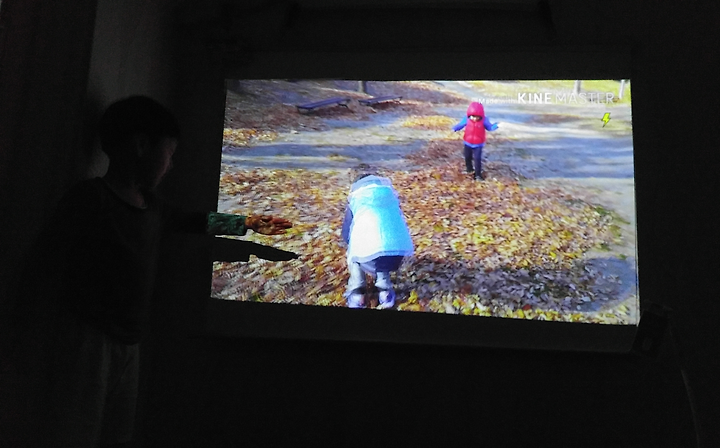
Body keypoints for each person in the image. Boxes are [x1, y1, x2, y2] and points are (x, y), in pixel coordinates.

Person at [7, 96, 295, 447]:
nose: (171, 165)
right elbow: (45, 263)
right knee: (76, 429)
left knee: (116, 431)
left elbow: (194, 221)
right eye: (169, 153)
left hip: (130, 341)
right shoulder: (91, 199)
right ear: (142, 146)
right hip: (87, 341)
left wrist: (247, 223)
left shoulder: (152, 206)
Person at [340, 171, 414, 309]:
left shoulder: (357, 200)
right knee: (382, 248)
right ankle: (385, 291)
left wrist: (349, 243)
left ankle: (357, 292)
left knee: (355, 251)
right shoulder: (390, 198)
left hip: (371, 255)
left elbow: (346, 234)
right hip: (398, 254)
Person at [452, 101, 499, 181]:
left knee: (477, 159)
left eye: (477, 117)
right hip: (467, 143)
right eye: (473, 116)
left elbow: (489, 127)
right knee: (467, 157)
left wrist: (496, 126)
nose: (475, 118)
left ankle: (478, 175)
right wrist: (455, 128)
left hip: (478, 144)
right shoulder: (466, 119)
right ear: (469, 115)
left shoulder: (484, 120)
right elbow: (460, 125)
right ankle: (469, 169)